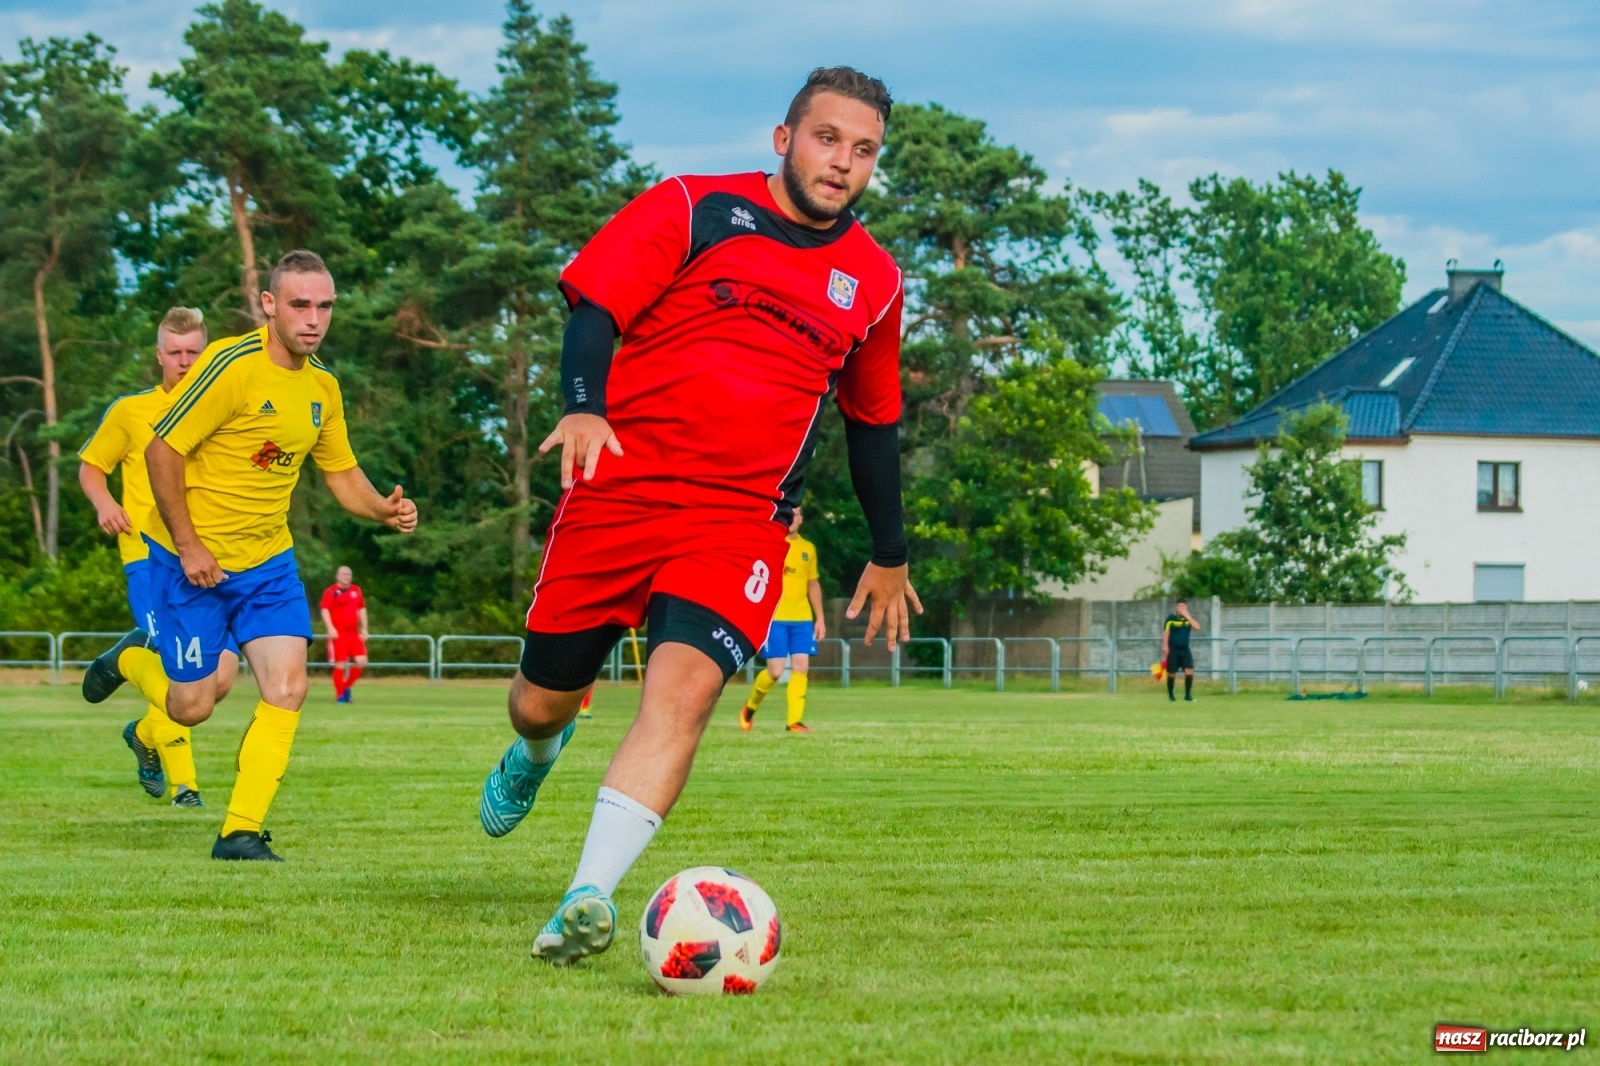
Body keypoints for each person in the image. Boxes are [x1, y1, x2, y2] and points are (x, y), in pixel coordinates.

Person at [476, 66, 920, 966]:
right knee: (537, 702)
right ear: (783, 139)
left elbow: (874, 424)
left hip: (739, 522)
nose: (843, 162)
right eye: (827, 138)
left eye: (864, 150)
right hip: (618, 492)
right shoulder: (694, 206)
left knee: (683, 696)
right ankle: (537, 751)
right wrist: (583, 407)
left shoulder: (873, 281)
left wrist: (890, 550)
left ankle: (585, 897)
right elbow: (596, 305)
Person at [80, 250, 418, 861]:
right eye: (299, 304)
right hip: (191, 565)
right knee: (192, 706)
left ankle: (238, 833)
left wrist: (383, 510)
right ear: (269, 304)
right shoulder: (229, 366)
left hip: (268, 565)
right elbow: (161, 452)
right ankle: (131, 658)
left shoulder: (322, 387)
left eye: (324, 306)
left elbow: (341, 473)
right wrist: (189, 547)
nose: (313, 319)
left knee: (288, 687)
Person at [77, 307, 239, 808]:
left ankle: (141, 719)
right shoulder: (132, 411)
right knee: (177, 673)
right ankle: (187, 787)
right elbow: (91, 467)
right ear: (159, 355)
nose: (185, 361)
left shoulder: (224, 408)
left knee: (219, 681)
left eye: (194, 352)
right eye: (175, 352)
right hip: (151, 560)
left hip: (212, 559)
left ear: (206, 354)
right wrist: (105, 504)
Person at [740, 507, 825, 732]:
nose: (792, 518)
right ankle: (750, 707)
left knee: (801, 667)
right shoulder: (771, 545)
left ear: (801, 519)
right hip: (775, 617)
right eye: (788, 514)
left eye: (796, 514)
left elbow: (813, 584)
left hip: (802, 618)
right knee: (775, 672)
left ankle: (794, 721)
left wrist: (820, 618)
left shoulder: (808, 548)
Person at [319, 565, 368, 703]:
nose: (346, 577)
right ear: (337, 576)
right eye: (343, 574)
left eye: (348, 574)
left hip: (353, 634)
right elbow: (325, 610)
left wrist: (364, 628)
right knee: (340, 663)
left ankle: (346, 686)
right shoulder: (331, 592)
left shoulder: (356, 590)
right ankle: (340, 695)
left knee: (361, 661)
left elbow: (362, 608)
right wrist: (330, 628)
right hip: (339, 634)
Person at [1162, 599, 1201, 702]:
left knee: (1189, 671)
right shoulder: (1171, 618)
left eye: (1183, 606)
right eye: (1179, 606)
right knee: (1171, 673)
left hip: (1185, 649)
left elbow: (1197, 627)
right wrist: (1165, 646)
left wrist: (1187, 616)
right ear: (1176, 607)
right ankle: (1171, 695)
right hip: (1173, 649)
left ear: (1186, 607)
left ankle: (1187, 695)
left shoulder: (1188, 619)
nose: (1181, 608)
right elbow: (1166, 632)